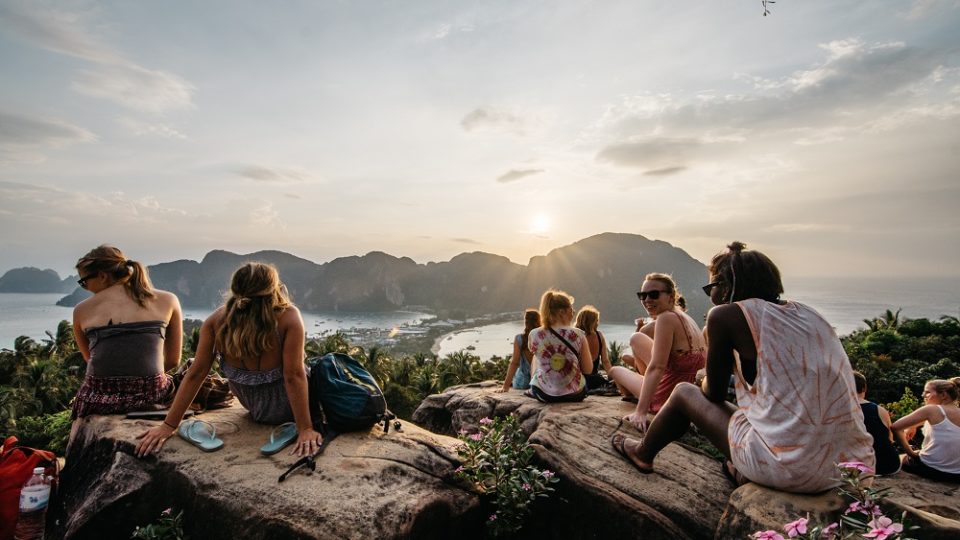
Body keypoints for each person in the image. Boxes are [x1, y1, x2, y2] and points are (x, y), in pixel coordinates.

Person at [610, 242, 874, 494]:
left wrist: (704, 378)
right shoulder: (810, 314)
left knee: (683, 393)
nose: (711, 296)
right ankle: (745, 471)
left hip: (793, 469)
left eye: (710, 287)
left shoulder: (726, 315)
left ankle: (643, 453)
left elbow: (713, 393)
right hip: (853, 470)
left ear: (725, 287)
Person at [135, 262, 322, 458]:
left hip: (253, 407)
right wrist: (305, 429)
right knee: (321, 365)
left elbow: (196, 373)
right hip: (288, 409)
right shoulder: (288, 316)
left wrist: (169, 425)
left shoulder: (216, 321)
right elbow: (293, 376)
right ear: (272, 288)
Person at [71, 245, 183, 418]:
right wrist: (144, 379)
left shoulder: (81, 310)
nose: (84, 287)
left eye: (83, 282)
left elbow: (90, 358)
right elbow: (174, 360)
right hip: (150, 394)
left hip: (98, 398)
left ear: (102, 276)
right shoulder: (168, 300)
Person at [608, 273, 706, 430]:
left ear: (671, 296)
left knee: (614, 370)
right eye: (642, 295)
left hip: (664, 397)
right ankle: (642, 382)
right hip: (687, 392)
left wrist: (640, 412)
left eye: (653, 294)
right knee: (636, 338)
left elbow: (657, 367)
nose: (647, 300)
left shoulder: (665, 319)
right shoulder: (686, 318)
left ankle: (636, 393)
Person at [526, 290, 593, 403]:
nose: (573, 312)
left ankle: (532, 388)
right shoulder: (579, 334)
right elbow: (588, 370)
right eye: (571, 308)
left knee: (536, 356)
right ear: (562, 312)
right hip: (574, 394)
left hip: (544, 394)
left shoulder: (534, 334)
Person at [890, 378, 960, 483]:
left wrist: (911, 453)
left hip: (930, 469)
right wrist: (913, 426)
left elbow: (895, 427)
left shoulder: (931, 410)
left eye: (927, 392)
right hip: (956, 475)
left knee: (897, 459)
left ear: (943, 395)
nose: (923, 396)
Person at [853, 371, 900, 475]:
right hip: (887, 465)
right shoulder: (880, 410)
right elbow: (890, 439)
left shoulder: (836, 410)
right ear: (864, 388)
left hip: (855, 467)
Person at [496, 309, 541, 393]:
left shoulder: (519, 339)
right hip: (540, 382)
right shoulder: (544, 337)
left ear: (525, 322)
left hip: (522, 383)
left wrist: (505, 387)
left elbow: (514, 363)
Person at [575, 306, 614, 390]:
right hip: (594, 380)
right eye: (596, 320)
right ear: (591, 322)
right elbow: (605, 361)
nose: (597, 323)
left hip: (577, 380)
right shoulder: (599, 336)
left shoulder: (575, 336)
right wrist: (612, 378)